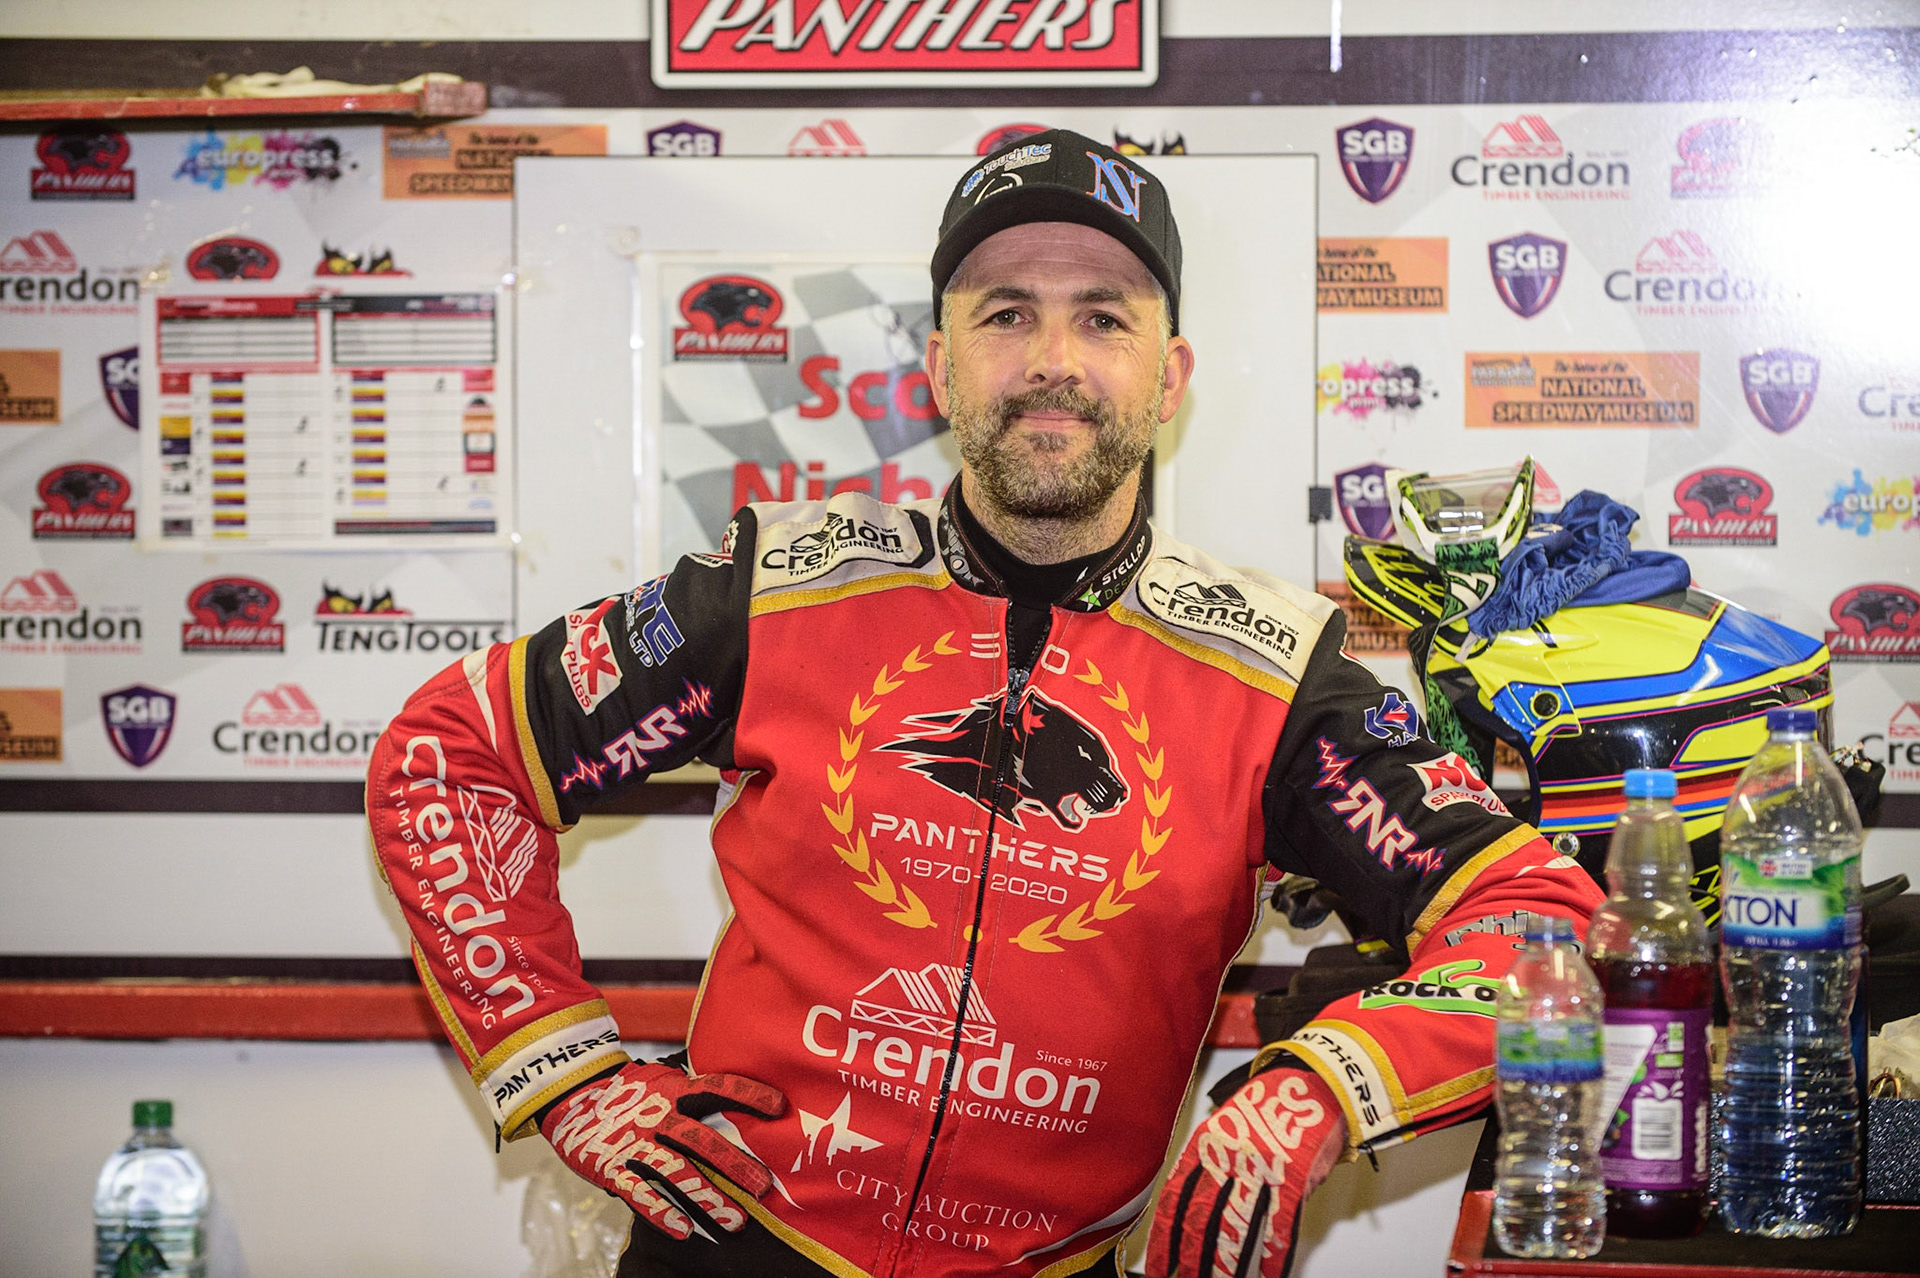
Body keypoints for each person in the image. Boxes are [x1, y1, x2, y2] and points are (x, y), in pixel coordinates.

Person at [366, 131, 1601, 1278]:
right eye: (1007, 314)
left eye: (1102, 318)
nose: (1053, 360)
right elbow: (449, 757)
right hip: (734, 1244)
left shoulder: (1274, 675)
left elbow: (1538, 918)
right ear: (938, 366)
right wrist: (563, 1071)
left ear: (1167, 377)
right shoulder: (777, 586)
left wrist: (1321, 1090)